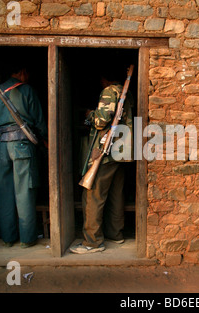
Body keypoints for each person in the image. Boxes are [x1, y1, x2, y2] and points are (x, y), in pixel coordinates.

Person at [70, 68, 134, 254]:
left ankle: (92, 243)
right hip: (120, 152)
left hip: (105, 152)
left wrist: (89, 114)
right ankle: (116, 234)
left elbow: (100, 121)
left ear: (104, 78)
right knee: (116, 194)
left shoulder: (109, 91)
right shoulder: (126, 93)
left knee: (93, 196)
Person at [0, 63, 47, 248]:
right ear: (22, 71)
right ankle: (27, 239)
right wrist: (45, 139)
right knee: (24, 192)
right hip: (21, 146)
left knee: (4, 193)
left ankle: (8, 238)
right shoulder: (27, 90)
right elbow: (40, 121)